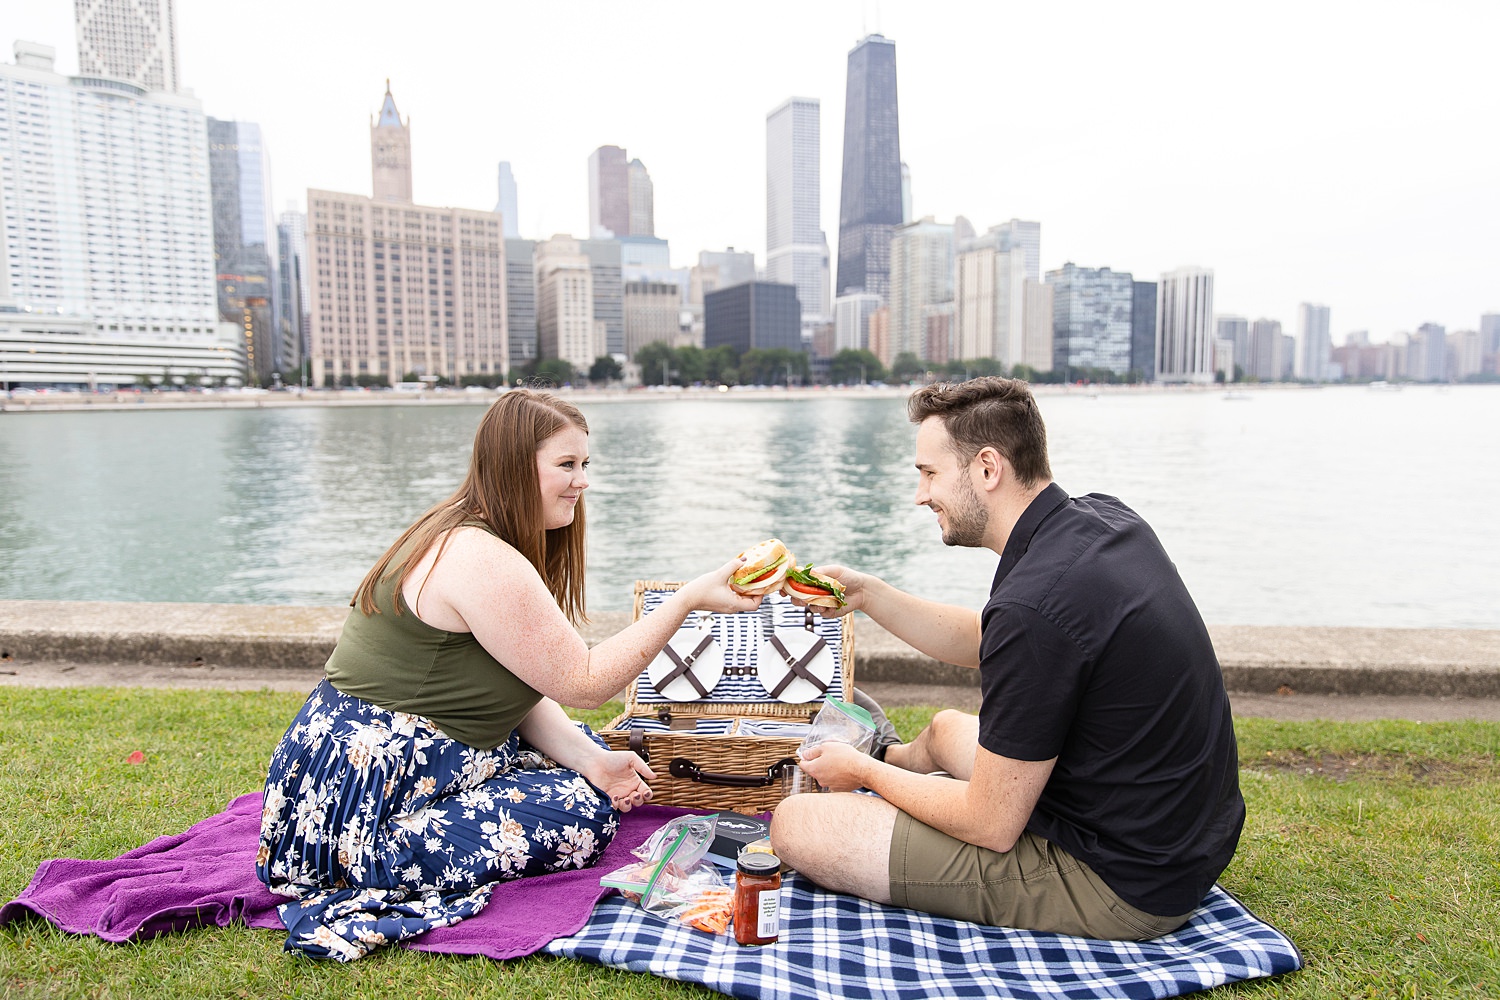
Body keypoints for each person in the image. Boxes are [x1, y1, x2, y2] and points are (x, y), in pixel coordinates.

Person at [255, 389, 760, 960]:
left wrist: (593, 760)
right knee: (580, 813)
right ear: (517, 469)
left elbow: (517, 683)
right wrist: (687, 600)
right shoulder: (480, 556)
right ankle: (376, 866)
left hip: (355, 773)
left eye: (584, 464)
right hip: (367, 804)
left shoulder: (463, 529)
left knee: (585, 761)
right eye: (566, 465)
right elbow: (584, 683)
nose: (582, 481)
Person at [771, 377, 1245, 941]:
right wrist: (868, 594)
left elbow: (989, 824)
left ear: (987, 468)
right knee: (946, 729)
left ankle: (872, 767)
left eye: (929, 474)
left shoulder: (1036, 607)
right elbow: (988, 637)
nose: (920, 495)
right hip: (1167, 836)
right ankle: (892, 762)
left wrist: (864, 773)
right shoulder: (1099, 521)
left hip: (1119, 882)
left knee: (797, 824)